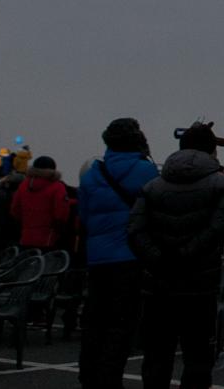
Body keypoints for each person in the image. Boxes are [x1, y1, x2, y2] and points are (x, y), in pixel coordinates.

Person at [128, 121, 224, 389]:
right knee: (198, 356)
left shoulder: (153, 185)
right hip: (200, 284)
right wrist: (186, 253)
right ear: (212, 151)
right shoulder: (223, 185)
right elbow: (219, 227)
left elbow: (135, 231)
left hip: (157, 283)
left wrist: (157, 258)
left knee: (156, 355)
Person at [78, 118, 158, 389]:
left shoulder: (92, 174)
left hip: (98, 257)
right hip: (129, 257)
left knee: (94, 321)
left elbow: (85, 218)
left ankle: (88, 376)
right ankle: (110, 379)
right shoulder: (146, 171)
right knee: (121, 324)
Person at [10, 155, 71, 248]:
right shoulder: (58, 187)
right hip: (48, 238)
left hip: (26, 237)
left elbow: (15, 209)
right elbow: (61, 213)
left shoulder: (23, 185)